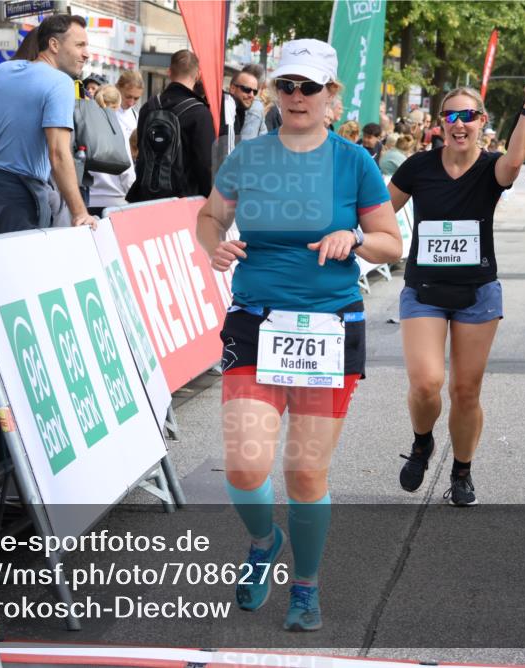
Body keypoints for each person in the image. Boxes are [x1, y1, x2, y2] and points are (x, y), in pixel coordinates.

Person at [196, 38, 401, 632]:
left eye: (309, 86)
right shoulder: (249, 157)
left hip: (329, 327)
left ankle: (306, 585)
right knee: (244, 466)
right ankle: (265, 541)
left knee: (306, 473)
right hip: (256, 322)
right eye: (286, 85)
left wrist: (354, 238)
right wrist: (215, 246)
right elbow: (210, 216)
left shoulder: (354, 162)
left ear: (331, 94)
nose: (296, 95)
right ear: (274, 91)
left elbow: (391, 243)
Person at [389, 71, 525, 506]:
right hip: (423, 289)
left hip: (477, 292)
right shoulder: (418, 167)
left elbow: (515, 161)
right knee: (426, 383)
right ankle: (422, 442)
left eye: (467, 116)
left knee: (465, 391)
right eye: (450, 116)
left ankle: (461, 471)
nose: (458, 124)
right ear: (440, 123)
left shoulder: (491, 167)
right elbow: (379, 211)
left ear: (482, 121)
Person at [0, 14, 93, 240]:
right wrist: (80, 213)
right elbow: (58, 154)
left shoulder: (3, 70)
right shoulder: (60, 83)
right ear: (54, 45)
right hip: (19, 201)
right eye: (80, 45)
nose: (86, 53)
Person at [127, 50, 215, 201]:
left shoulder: (148, 107)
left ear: (169, 72)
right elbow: (205, 164)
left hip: (145, 198)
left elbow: (141, 151)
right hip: (184, 200)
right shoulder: (200, 113)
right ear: (198, 75)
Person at [86, 85, 135, 215]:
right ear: (117, 106)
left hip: (89, 200)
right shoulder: (120, 130)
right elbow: (127, 172)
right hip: (117, 201)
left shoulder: (85, 127)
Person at [234, 66, 267, 141]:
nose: (251, 95)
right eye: (246, 89)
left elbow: (246, 143)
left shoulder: (254, 106)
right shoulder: (253, 106)